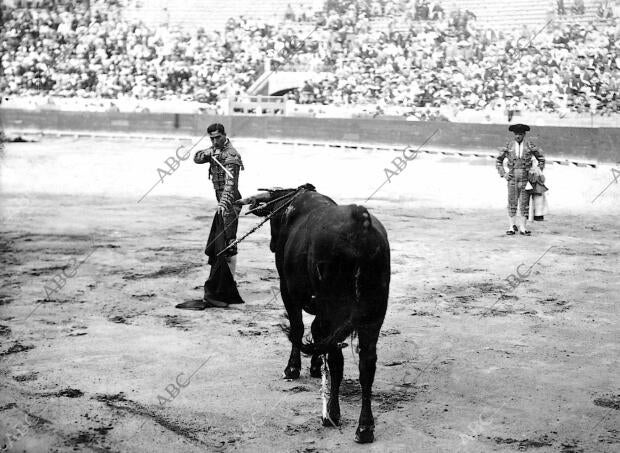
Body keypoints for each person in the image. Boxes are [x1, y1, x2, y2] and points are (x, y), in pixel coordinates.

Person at [176, 123, 244, 309]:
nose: (215, 141)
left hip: (229, 204)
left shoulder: (231, 155)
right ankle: (227, 283)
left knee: (228, 243)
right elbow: (196, 158)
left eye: (217, 138)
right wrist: (209, 152)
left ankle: (229, 285)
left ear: (225, 135)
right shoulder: (215, 150)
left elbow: (231, 185)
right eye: (211, 138)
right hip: (221, 203)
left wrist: (223, 204)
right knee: (223, 243)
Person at [496, 123, 545, 236]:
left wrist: (536, 172)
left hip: (525, 179)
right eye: (516, 134)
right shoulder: (509, 145)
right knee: (512, 202)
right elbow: (499, 161)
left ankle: (523, 227)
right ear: (514, 134)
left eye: (520, 134)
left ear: (524, 134)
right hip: (512, 178)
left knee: (524, 203)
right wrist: (504, 174)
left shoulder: (529, 145)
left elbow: (541, 159)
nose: (518, 136)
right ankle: (511, 227)